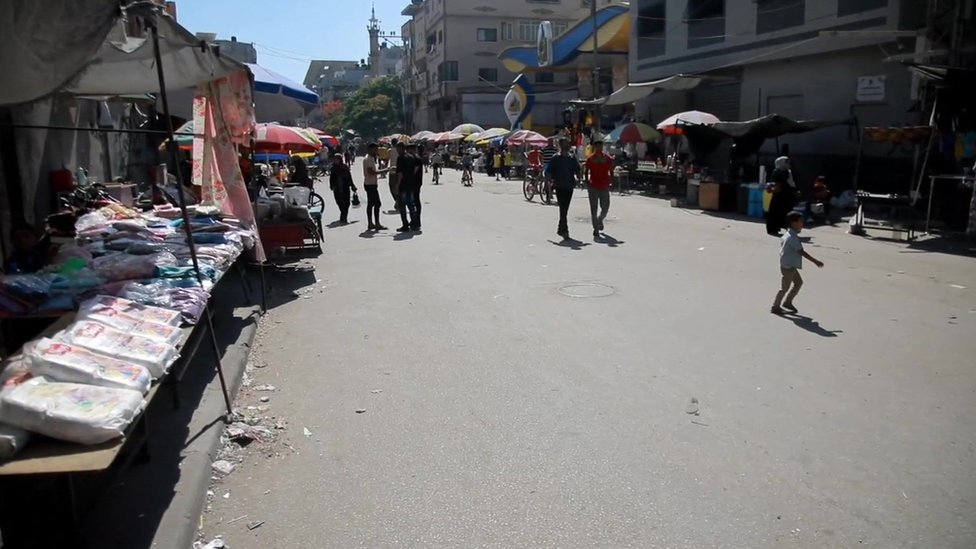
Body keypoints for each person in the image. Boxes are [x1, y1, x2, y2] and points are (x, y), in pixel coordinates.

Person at [771, 212, 824, 315]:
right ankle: (775, 307)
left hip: (789, 265)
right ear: (793, 223)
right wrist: (816, 261)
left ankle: (787, 302)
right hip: (788, 267)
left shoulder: (789, 234)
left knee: (798, 283)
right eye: (800, 221)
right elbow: (801, 252)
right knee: (784, 288)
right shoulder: (792, 238)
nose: (802, 224)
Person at [545, 138, 581, 239]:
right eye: (565, 144)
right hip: (559, 185)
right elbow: (548, 170)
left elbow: (577, 169)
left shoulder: (571, 157)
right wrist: (549, 179)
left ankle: (561, 229)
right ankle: (565, 231)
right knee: (563, 208)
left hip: (569, 185)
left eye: (568, 144)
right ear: (561, 145)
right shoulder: (556, 158)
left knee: (565, 208)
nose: (568, 145)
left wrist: (579, 177)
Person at [585, 140, 614, 237]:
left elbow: (611, 170)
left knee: (605, 207)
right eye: (598, 147)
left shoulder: (607, 158)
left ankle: (600, 219)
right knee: (594, 208)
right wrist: (587, 181)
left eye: (601, 147)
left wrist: (611, 181)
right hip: (593, 185)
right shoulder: (591, 159)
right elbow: (586, 170)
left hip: (604, 185)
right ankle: (595, 228)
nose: (600, 148)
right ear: (595, 147)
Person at [766, 156, 797, 236]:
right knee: (782, 212)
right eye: (786, 162)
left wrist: (770, 190)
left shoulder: (784, 171)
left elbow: (779, 186)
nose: (788, 164)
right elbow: (778, 184)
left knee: (779, 212)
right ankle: (782, 228)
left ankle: (777, 229)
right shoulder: (780, 172)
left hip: (782, 196)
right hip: (783, 196)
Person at [363, 143, 388, 231]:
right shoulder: (368, 159)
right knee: (377, 204)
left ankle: (371, 223)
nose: (376, 151)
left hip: (370, 183)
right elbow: (371, 172)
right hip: (370, 185)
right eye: (375, 150)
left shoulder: (370, 158)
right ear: (370, 149)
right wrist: (385, 170)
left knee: (371, 204)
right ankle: (376, 223)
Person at [396, 144, 420, 232]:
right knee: (410, 205)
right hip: (411, 184)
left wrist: (397, 184)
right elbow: (414, 170)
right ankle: (414, 224)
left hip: (403, 184)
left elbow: (400, 173)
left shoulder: (400, 158)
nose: (397, 151)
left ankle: (405, 225)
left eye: (398, 149)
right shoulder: (411, 157)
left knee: (402, 206)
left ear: (401, 149)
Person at [329, 153, 357, 224]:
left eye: (337, 159)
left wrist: (352, 185)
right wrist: (331, 185)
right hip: (337, 187)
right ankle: (343, 214)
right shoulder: (333, 168)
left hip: (345, 186)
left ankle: (344, 217)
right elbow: (331, 178)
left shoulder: (345, 167)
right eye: (335, 159)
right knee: (339, 202)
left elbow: (349, 177)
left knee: (347, 203)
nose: (336, 161)